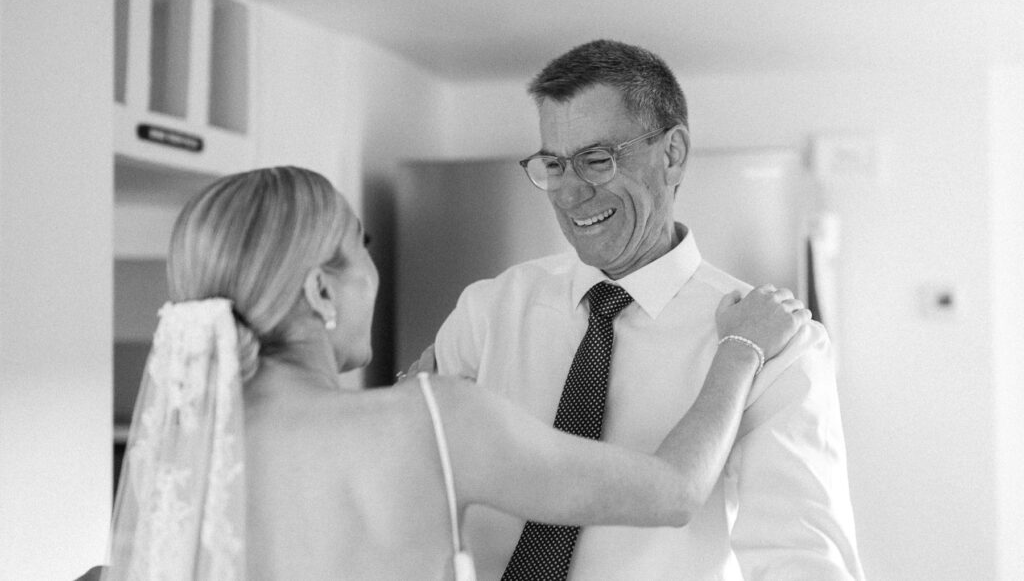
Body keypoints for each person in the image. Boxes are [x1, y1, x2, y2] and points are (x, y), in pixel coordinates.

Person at [102, 166, 810, 580]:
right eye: (362, 248)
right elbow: (675, 491)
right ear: (320, 291)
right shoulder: (435, 420)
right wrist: (742, 350)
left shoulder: (184, 457)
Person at [410, 40, 865, 580]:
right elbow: (414, 488)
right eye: (553, 164)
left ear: (672, 154)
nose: (571, 193)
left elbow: (802, 559)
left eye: (597, 160)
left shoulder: (777, 345)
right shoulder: (489, 311)